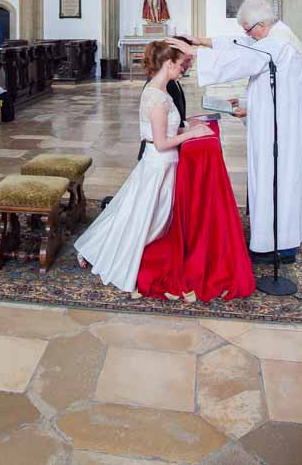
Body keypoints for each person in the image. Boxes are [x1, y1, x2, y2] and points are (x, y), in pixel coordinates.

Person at [167, 0, 302, 264]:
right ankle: (276, 240)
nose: (247, 35)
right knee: (275, 181)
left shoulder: (276, 43)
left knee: (274, 180)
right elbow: (262, 75)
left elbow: (242, 57)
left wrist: (195, 51)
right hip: (276, 121)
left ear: (263, 24)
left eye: (249, 29)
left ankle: (273, 246)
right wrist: (247, 106)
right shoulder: (273, 36)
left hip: (277, 132)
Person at [74, 42, 212, 294]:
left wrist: (189, 128)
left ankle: (101, 247)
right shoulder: (157, 97)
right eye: (181, 65)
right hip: (159, 163)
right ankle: (108, 252)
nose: (183, 69)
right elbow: (161, 143)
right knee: (147, 217)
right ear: (168, 64)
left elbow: (168, 130)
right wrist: (190, 136)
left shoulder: (160, 90)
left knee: (137, 213)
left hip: (162, 163)